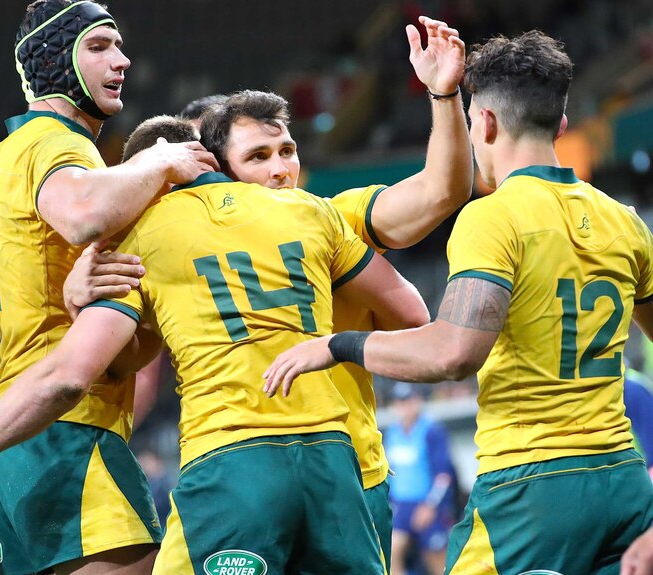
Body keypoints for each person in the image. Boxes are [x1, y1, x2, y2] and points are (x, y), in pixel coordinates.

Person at [0, 114, 430, 574]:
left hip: (233, 458)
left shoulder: (144, 236)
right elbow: (412, 315)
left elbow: (67, 375)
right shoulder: (310, 211)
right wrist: (334, 342)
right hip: (339, 463)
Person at [265, 30, 653, 574]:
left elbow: (453, 353)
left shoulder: (495, 217)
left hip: (532, 486)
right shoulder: (626, 222)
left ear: (485, 124)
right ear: (560, 125)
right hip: (624, 481)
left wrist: (340, 345)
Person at [193, 16, 470, 569]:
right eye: (260, 157)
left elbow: (443, 190)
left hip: (349, 475)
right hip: (242, 474)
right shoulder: (182, 243)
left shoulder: (335, 219)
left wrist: (442, 95)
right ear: (216, 172)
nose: (281, 170)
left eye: (287, 151)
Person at [0, 2, 218, 574]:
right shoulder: (55, 144)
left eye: (119, 46)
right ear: (55, 59)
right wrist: (162, 159)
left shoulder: (14, 152)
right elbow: (81, 213)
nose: (122, 60)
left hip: (23, 426)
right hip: (64, 424)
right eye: (100, 46)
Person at [383, 383, 454, 575]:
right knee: (391, 552)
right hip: (401, 505)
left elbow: (443, 474)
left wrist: (431, 505)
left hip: (426, 505)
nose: (404, 407)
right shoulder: (392, 433)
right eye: (399, 402)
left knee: (436, 559)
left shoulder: (432, 431)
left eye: (408, 401)